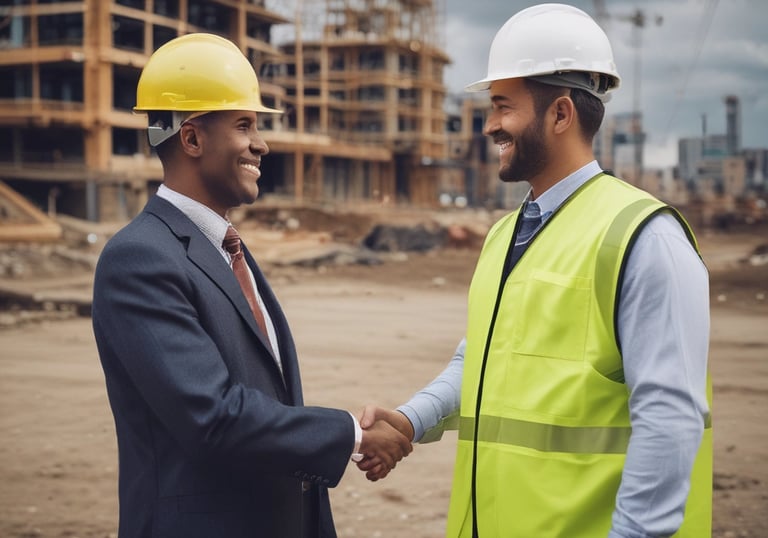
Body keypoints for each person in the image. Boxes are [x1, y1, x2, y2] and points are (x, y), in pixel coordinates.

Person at [358, 4, 712, 537]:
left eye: (503, 106)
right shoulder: (505, 235)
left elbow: (670, 422)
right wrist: (411, 420)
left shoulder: (644, 238)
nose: (489, 124)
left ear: (561, 114)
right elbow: (480, 359)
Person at [92, 33, 411, 538]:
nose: (261, 143)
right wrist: (349, 433)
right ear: (192, 139)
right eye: (245, 125)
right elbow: (213, 416)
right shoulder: (139, 259)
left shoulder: (225, 248)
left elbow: (265, 397)